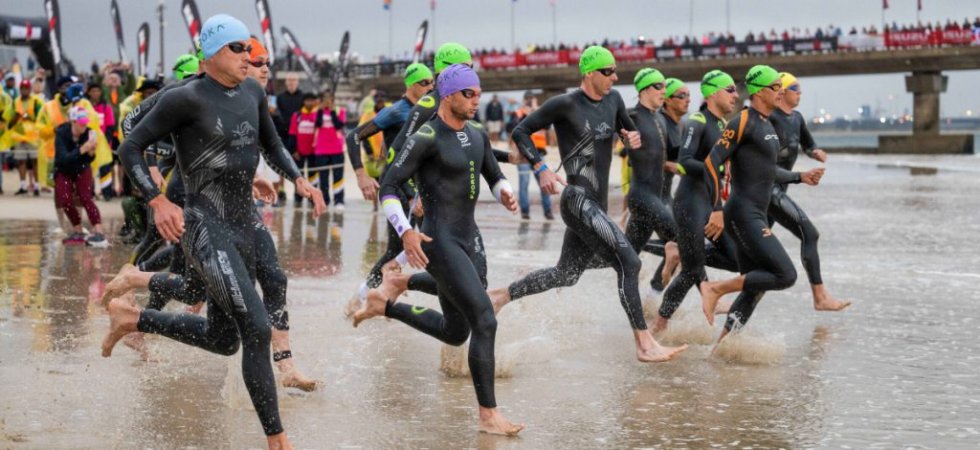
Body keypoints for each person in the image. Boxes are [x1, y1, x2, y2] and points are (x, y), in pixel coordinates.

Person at [103, 14, 325, 450]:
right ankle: (277, 440)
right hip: (205, 225)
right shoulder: (184, 98)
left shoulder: (253, 92)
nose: (249, 56)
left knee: (225, 340)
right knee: (257, 327)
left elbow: (271, 144)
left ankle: (133, 317)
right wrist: (158, 198)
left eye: (250, 49)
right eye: (239, 49)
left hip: (246, 222)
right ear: (212, 53)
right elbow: (129, 144)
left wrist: (297, 178)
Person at [352, 64, 524, 436]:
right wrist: (407, 233)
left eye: (479, 93)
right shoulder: (426, 137)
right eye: (468, 94)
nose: (476, 100)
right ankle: (488, 415)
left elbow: (493, 174)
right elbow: (389, 187)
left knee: (456, 330)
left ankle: (387, 304)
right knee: (485, 318)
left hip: (470, 238)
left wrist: (505, 192)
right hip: (439, 240)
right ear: (448, 95)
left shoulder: (477, 133)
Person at [488, 46, 686, 363]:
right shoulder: (566, 104)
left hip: (598, 203)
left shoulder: (614, 100)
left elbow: (628, 128)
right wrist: (540, 168)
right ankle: (644, 343)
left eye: (615, 71)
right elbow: (520, 131)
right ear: (589, 73)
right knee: (630, 263)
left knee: (567, 273)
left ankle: (501, 295)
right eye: (608, 71)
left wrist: (632, 136)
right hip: (577, 198)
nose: (615, 77)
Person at [699, 65, 824, 346]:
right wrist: (717, 208)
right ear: (759, 91)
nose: (781, 92)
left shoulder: (768, 124)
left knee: (754, 285)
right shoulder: (743, 121)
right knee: (785, 274)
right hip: (743, 213)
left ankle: (722, 347)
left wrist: (799, 177)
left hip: (753, 211)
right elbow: (711, 162)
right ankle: (715, 288)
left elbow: (766, 172)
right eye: (775, 87)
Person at [653, 70, 742, 334]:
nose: (736, 96)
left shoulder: (723, 125)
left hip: (713, 204)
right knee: (692, 270)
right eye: (730, 90)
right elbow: (684, 161)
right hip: (691, 204)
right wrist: (713, 166)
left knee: (736, 258)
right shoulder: (698, 120)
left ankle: (680, 250)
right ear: (713, 92)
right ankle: (659, 325)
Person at [768, 73, 850, 312]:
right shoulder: (769, 119)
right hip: (768, 189)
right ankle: (820, 297)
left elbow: (808, 144)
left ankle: (691, 267)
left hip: (780, 189)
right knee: (810, 234)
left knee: (743, 256)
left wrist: (816, 152)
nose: (800, 93)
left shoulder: (796, 118)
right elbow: (759, 162)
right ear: (782, 92)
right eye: (795, 89)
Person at [622, 68, 679, 287]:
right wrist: (625, 139)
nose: (664, 90)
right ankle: (708, 292)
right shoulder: (631, 117)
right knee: (686, 243)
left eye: (665, 86)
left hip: (653, 199)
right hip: (643, 198)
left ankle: (570, 269)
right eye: (659, 86)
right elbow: (612, 132)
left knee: (626, 259)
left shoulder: (661, 120)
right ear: (644, 89)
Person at [646, 77, 689, 292]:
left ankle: (653, 295)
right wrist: (673, 166)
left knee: (679, 246)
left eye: (689, 95)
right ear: (668, 100)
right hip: (649, 197)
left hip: (665, 196)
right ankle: (572, 270)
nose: (687, 100)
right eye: (682, 96)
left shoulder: (680, 125)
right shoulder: (659, 122)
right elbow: (644, 156)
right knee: (683, 244)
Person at [54, 106, 107, 246]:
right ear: (73, 121)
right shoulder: (61, 133)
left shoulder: (89, 133)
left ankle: (99, 230)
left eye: (85, 122)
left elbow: (89, 159)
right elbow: (64, 158)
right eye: (81, 122)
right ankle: (78, 230)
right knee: (65, 199)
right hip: (63, 169)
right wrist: (83, 149)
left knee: (85, 197)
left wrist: (91, 153)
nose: (84, 125)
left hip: (81, 168)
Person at [514, 91, 554, 221]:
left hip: (539, 153)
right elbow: (515, 127)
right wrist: (526, 112)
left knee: (544, 182)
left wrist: (537, 110)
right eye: (528, 100)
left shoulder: (541, 112)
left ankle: (548, 212)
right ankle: (525, 212)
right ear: (524, 100)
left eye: (532, 99)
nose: (530, 102)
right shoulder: (520, 112)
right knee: (523, 184)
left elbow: (548, 125)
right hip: (523, 155)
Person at [4, 80, 43, 196]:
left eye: (26, 88)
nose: (24, 90)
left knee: (35, 161)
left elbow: (41, 118)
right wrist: (16, 116)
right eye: (22, 88)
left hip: (33, 136)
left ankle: (36, 186)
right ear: (20, 89)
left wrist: (30, 117)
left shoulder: (36, 102)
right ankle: (23, 186)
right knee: (21, 161)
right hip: (20, 136)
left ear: (29, 89)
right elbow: (9, 122)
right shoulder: (15, 102)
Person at [311, 93, 347, 210]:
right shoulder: (317, 112)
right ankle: (325, 199)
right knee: (323, 177)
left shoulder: (340, 110)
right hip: (321, 149)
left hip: (336, 149)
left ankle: (339, 200)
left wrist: (332, 112)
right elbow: (318, 124)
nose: (327, 102)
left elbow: (338, 125)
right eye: (325, 99)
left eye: (329, 99)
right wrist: (321, 111)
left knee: (338, 176)